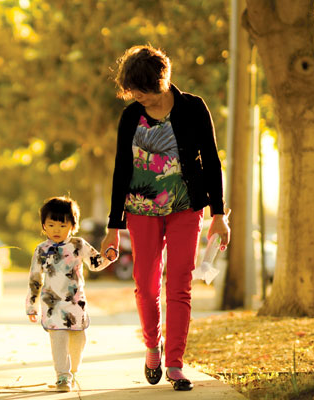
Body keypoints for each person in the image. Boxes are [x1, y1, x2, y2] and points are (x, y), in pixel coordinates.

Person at [99, 45, 231, 391]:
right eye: (133, 92)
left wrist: (218, 214)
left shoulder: (193, 108)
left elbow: (212, 161)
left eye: (142, 92)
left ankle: (175, 363)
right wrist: (113, 226)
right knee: (145, 283)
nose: (137, 97)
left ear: (161, 82)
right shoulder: (131, 117)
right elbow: (121, 170)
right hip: (140, 209)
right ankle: (151, 346)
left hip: (186, 207)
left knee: (179, 284)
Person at [26, 196, 112, 392]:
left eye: (62, 225)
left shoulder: (78, 245)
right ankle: (62, 375)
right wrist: (32, 305)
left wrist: (108, 258)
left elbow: (95, 263)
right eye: (51, 224)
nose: (57, 230)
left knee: (79, 339)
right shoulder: (41, 250)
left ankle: (73, 368)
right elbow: (35, 279)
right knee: (58, 339)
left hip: (76, 303)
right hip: (52, 304)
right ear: (44, 226)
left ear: (73, 226)